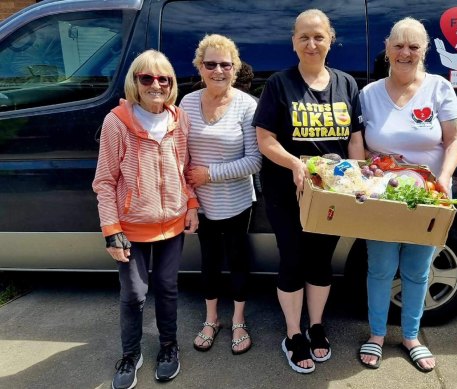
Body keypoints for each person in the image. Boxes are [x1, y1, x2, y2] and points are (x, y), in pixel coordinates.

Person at [253, 9, 365, 374]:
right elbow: (265, 140)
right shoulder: (278, 84)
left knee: (320, 261)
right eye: (304, 37)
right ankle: (292, 333)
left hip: (333, 196)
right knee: (292, 259)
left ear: (330, 39)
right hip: (288, 193)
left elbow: (355, 140)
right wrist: (296, 164)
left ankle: (316, 325)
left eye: (318, 36)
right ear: (294, 42)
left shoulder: (347, 84)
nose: (311, 43)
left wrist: (358, 179)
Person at [357, 17, 457, 372]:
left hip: (428, 200)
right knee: (381, 269)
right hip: (382, 199)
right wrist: (362, 173)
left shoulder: (439, 88)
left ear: (425, 50)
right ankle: (375, 335)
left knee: (418, 271)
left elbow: (455, 139)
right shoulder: (368, 94)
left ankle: (411, 337)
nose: (406, 52)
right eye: (399, 45)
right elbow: (358, 145)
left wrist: (445, 178)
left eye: (414, 46)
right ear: (387, 49)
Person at [92, 49, 198, 389]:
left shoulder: (179, 119)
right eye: (147, 78)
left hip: (172, 224)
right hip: (130, 226)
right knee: (134, 293)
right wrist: (111, 230)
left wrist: (191, 205)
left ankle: (168, 347)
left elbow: (184, 170)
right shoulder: (117, 122)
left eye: (164, 78)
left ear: (171, 84)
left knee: (167, 288)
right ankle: (130, 353)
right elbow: (105, 181)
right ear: (135, 82)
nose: (156, 84)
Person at [180, 34, 261, 356]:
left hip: (238, 201)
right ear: (200, 67)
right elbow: (180, 159)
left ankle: (239, 321)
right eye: (210, 64)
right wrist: (190, 199)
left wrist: (210, 174)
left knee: (238, 260)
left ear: (235, 68)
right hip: (200, 203)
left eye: (225, 65)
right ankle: (212, 319)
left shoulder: (247, 105)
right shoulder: (186, 103)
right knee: (210, 262)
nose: (218, 70)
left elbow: (255, 161)